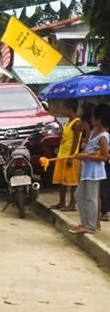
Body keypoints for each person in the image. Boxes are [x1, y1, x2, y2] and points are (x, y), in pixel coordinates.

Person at [69, 104, 110, 235]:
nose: (91, 119)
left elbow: (104, 157)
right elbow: (90, 149)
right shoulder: (93, 131)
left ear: (99, 120)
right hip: (87, 170)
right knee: (79, 195)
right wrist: (84, 150)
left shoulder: (103, 136)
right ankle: (85, 222)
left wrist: (85, 156)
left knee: (91, 198)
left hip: (95, 173)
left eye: (93, 117)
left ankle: (91, 226)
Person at [50, 99, 82, 212]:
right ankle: (61, 202)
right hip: (62, 155)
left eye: (64, 108)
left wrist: (71, 156)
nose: (63, 111)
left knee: (72, 182)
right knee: (61, 181)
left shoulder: (77, 123)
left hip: (70, 157)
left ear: (70, 109)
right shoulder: (68, 122)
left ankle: (72, 204)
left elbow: (75, 142)